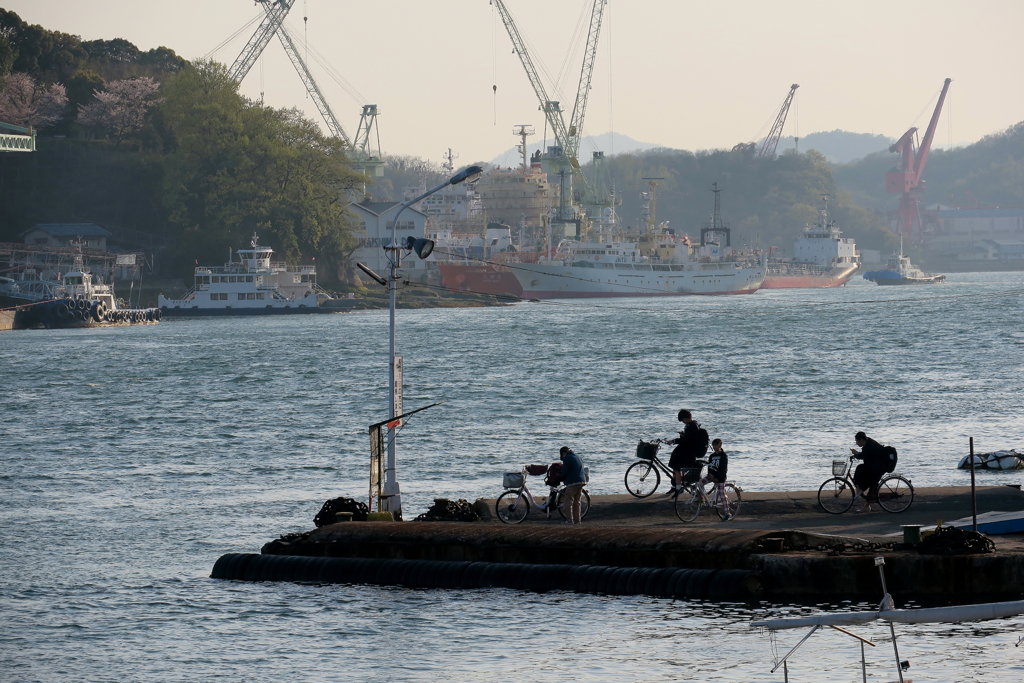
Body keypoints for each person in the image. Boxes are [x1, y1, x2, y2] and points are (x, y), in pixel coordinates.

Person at [666, 409, 705, 497]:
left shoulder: (691, 426)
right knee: (675, 466)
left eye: (683, 420)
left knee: (676, 468)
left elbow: (687, 440)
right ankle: (676, 485)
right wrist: (683, 435)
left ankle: (678, 488)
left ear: (686, 418)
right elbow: (689, 438)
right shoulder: (692, 425)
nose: (683, 422)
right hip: (687, 451)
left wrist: (674, 440)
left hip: (687, 453)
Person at [850, 431, 888, 512]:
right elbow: (865, 455)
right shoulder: (868, 444)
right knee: (871, 482)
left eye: (857, 441)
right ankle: (866, 505)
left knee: (861, 469)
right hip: (878, 466)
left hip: (880, 467)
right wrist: (857, 454)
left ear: (861, 440)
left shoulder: (869, 445)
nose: (856, 443)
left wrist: (856, 453)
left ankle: (860, 488)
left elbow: (863, 455)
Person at [699, 438, 733, 520]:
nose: (714, 447)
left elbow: (724, 469)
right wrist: (710, 474)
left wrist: (718, 477)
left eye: (715, 445)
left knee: (721, 494)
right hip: (712, 476)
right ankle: (701, 498)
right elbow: (709, 466)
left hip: (721, 477)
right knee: (701, 482)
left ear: (720, 445)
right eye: (713, 445)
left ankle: (727, 512)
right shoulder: (712, 456)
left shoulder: (723, 455)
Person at [559, 446, 586, 524]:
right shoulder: (577, 456)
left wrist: (561, 476)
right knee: (577, 502)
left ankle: (569, 520)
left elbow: (565, 471)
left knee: (568, 501)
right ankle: (578, 521)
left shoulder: (567, 458)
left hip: (573, 482)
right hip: (582, 481)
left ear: (563, 453)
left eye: (561, 455)